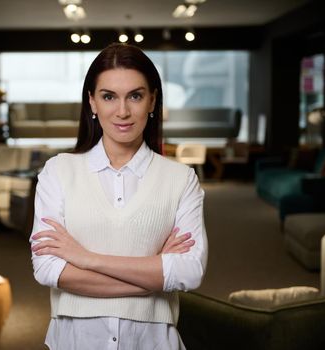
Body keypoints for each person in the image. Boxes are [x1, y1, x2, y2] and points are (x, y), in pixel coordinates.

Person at [30, 43, 208, 350]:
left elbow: (189, 272)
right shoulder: (58, 172)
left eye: (135, 96)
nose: (122, 111)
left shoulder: (181, 180)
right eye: (109, 96)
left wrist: (86, 259)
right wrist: (152, 274)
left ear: (152, 100)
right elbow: (47, 268)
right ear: (92, 103)